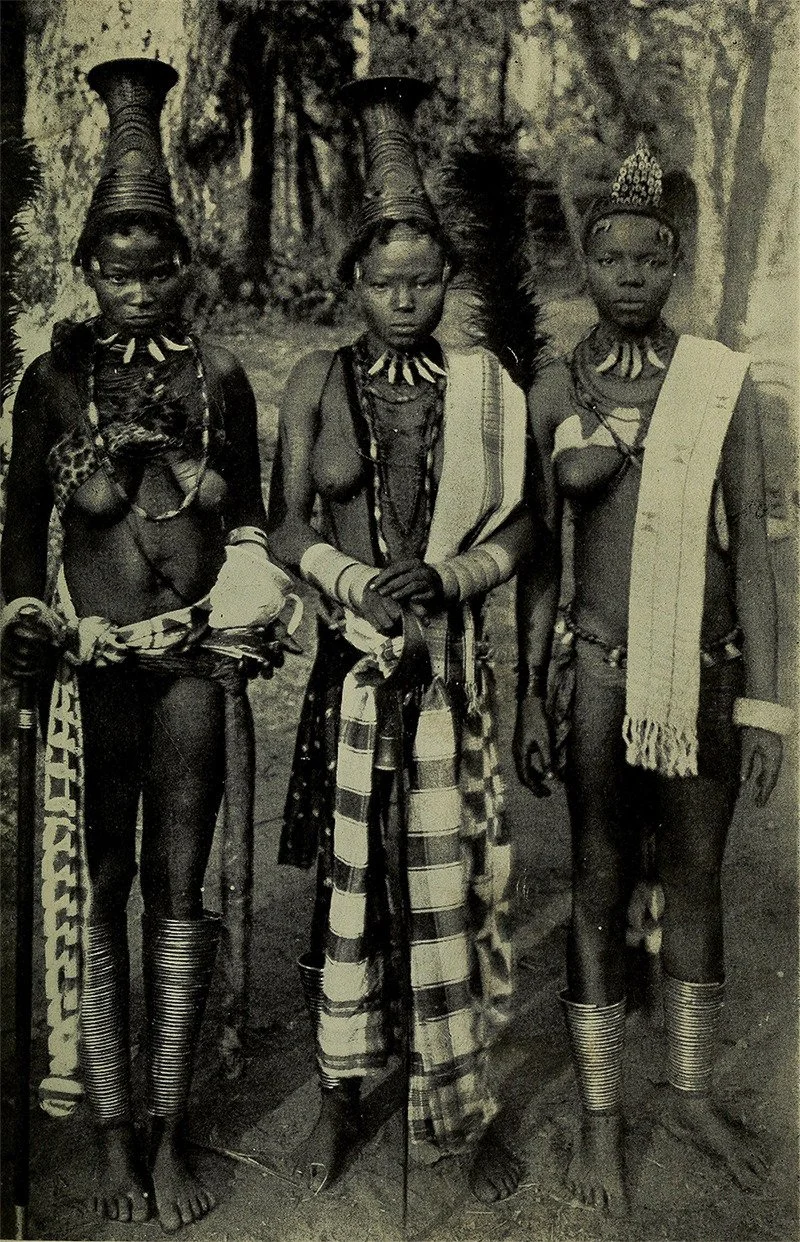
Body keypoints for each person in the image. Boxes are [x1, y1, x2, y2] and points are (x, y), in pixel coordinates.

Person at [1, 58, 292, 1233]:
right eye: (115, 269)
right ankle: (113, 1132)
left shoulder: (218, 376)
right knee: (104, 883)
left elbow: (256, 523)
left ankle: (171, 1132)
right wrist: (24, 617)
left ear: (185, 266)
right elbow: (21, 529)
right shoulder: (50, 384)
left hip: (189, 669)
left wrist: (244, 611)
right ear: (87, 271)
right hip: (92, 666)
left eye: (157, 264)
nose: (136, 285)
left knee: (179, 884)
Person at [268, 75, 536, 1204]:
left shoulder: (486, 389)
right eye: (383, 282)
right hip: (351, 668)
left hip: (451, 671)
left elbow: (522, 523)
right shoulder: (315, 381)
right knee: (352, 891)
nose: (405, 300)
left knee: (449, 892)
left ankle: (459, 1113)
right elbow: (283, 527)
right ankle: (341, 1102)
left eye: (424, 281)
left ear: (446, 283)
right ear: (352, 285)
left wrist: (457, 572)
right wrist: (345, 579)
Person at [513, 140, 789, 1214]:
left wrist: (765, 704)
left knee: (695, 882)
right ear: (582, 264)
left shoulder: (719, 384)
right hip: (595, 674)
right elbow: (539, 560)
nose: (630, 275)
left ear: (674, 265)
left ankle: (686, 1091)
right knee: (590, 880)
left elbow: (757, 557)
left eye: (650, 259)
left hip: (705, 678)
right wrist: (527, 687)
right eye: (610, 258)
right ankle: (595, 1118)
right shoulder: (551, 391)